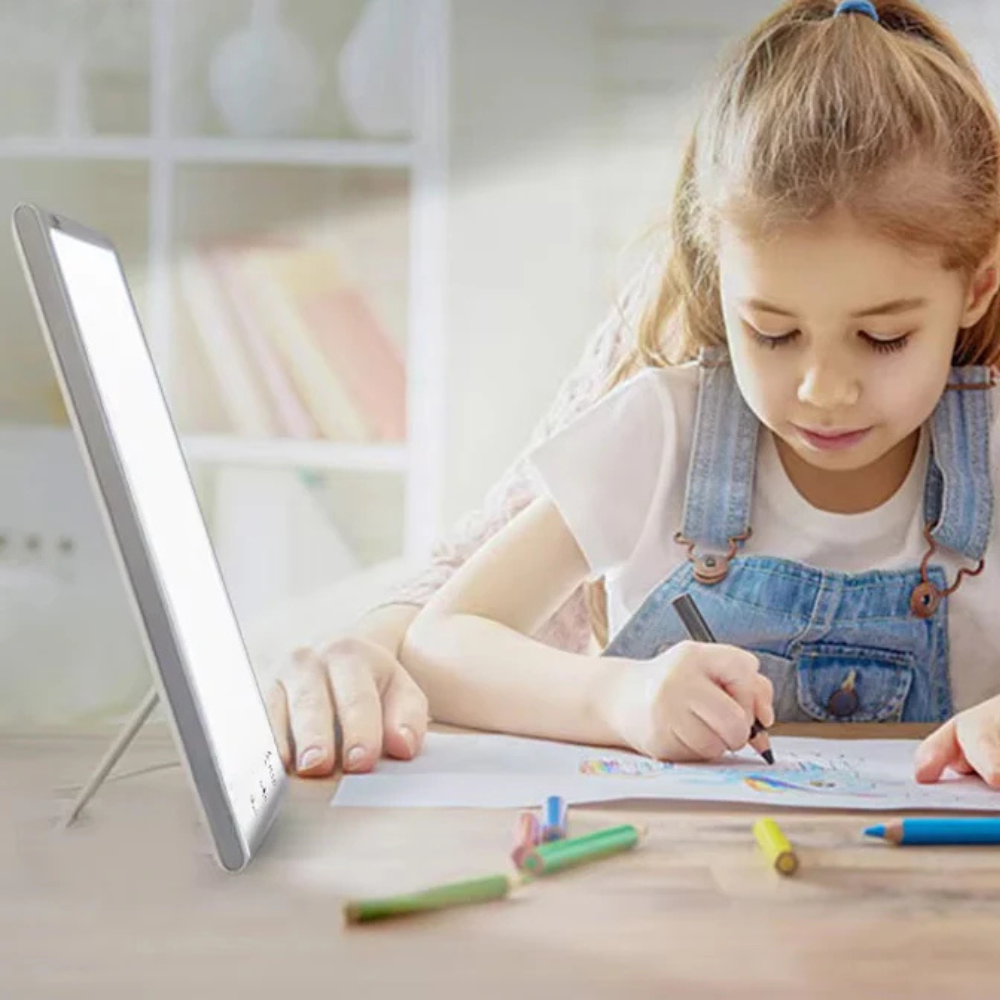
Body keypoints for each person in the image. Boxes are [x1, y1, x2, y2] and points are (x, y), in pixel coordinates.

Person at [270, 0, 1000, 786]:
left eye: (883, 337)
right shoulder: (663, 430)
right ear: (717, 281)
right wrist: (618, 697)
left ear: (977, 288)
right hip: (663, 858)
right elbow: (443, 641)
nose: (823, 391)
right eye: (772, 332)